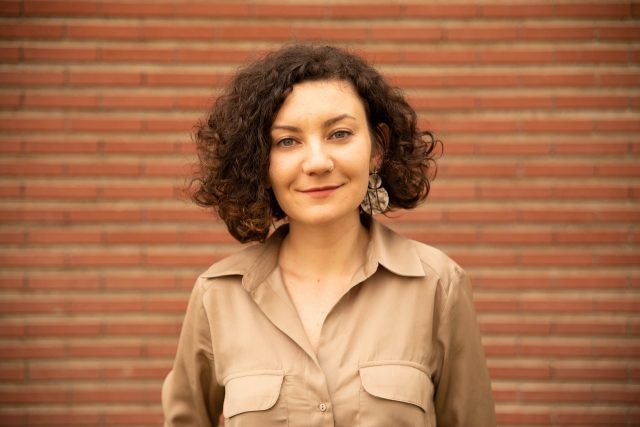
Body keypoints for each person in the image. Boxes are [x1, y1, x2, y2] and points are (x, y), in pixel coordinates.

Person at [162, 44, 496, 426]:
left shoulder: (438, 285)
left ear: (377, 147)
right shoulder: (217, 296)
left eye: (339, 134)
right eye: (287, 141)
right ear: (260, 162)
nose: (318, 163)